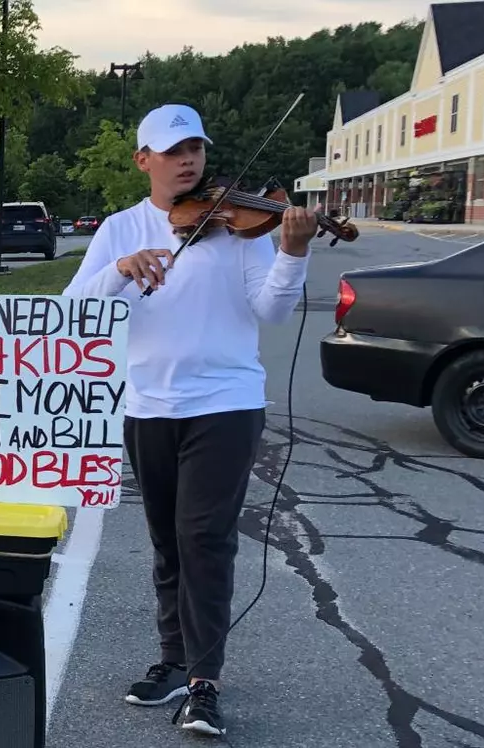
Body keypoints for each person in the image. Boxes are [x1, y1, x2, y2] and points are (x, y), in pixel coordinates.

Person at [62, 103, 318, 737]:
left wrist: (293, 252)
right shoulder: (121, 229)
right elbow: (70, 308)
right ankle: (174, 661)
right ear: (143, 160)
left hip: (225, 404)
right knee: (167, 543)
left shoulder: (241, 228)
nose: (188, 161)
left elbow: (274, 309)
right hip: (147, 405)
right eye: (173, 151)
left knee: (204, 539)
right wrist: (119, 272)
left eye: (196, 149)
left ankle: (205, 681)